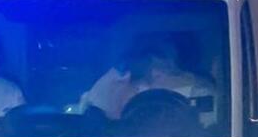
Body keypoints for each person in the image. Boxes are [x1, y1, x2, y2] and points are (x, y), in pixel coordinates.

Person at [80, 39, 212, 120]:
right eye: (150, 64)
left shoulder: (199, 89)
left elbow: (207, 126)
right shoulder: (115, 84)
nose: (156, 72)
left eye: (163, 68)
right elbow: (94, 119)